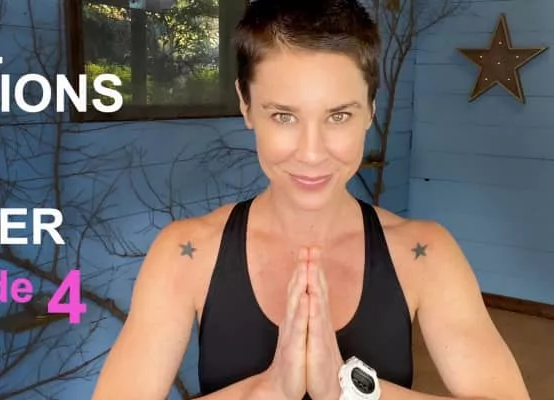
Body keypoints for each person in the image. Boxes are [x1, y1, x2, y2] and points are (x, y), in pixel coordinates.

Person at [91, 0, 530, 399]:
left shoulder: (427, 253)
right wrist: (267, 391)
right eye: (284, 116)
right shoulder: (184, 253)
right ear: (246, 105)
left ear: (370, 109)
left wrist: (350, 390)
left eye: (339, 115)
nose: (312, 153)